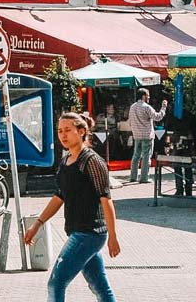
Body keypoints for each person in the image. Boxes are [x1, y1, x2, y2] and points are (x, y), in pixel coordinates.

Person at [25, 112, 118, 302]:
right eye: (60, 131)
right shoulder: (66, 161)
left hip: (90, 233)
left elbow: (106, 199)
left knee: (56, 283)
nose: (63, 135)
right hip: (78, 231)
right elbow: (59, 197)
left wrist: (113, 237)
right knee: (99, 286)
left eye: (68, 130)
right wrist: (37, 224)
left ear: (81, 131)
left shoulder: (92, 161)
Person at [126, 89, 164, 184]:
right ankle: (144, 178)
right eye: (148, 95)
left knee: (136, 156)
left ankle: (133, 177)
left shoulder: (132, 107)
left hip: (137, 135)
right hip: (147, 135)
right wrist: (163, 108)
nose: (149, 97)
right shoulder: (147, 107)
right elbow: (157, 117)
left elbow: (130, 121)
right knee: (146, 156)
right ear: (143, 96)